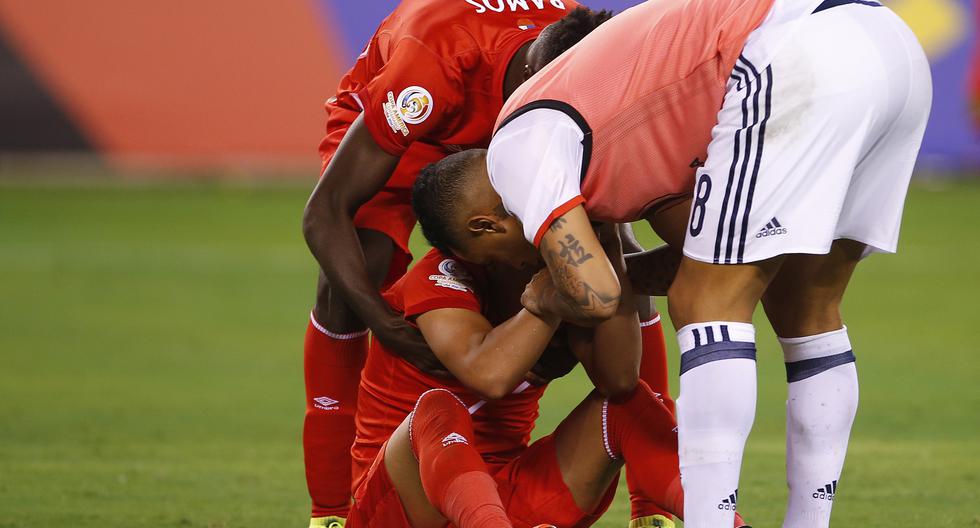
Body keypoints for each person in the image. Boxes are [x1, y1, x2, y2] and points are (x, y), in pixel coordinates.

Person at [417, 0, 932, 526]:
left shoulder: (513, 152)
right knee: (806, 304)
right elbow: (704, 251)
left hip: (792, 53)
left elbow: (595, 294)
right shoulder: (619, 143)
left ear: (485, 226)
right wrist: (613, 274)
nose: (514, 267)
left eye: (494, 261)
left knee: (706, 303)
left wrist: (540, 295)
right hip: (893, 51)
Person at [298, 1, 596, 524]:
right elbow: (324, 213)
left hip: (503, 127)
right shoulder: (431, 62)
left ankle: (650, 506)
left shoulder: (580, 60)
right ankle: (328, 512)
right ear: (533, 76)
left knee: (600, 246)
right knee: (355, 278)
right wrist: (385, 325)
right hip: (404, 132)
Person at [345, 206, 747, 527]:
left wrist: (606, 244)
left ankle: (724, 521)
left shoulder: (556, 273)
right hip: (400, 508)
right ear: (487, 228)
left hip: (505, 500)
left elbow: (622, 381)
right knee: (437, 408)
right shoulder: (439, 277)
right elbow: (491, 376)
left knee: (622, 406)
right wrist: (542, 307)